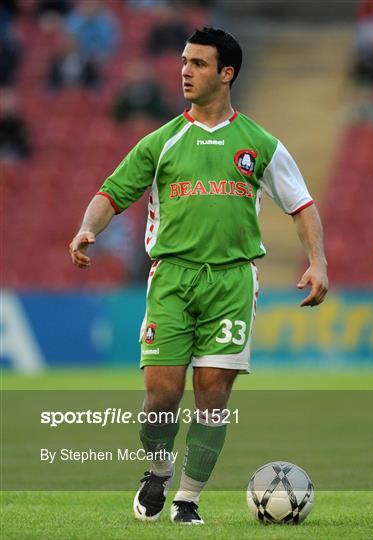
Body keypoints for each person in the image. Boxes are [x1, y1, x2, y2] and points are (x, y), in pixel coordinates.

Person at [69, 27, 328, 525]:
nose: (185, 71)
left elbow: (301, 205)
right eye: (184, 61)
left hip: (232, 282)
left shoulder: (259, 143)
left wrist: (317, 261)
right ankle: (158, 468)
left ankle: (187, 500)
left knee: (213, 395)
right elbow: (112, 193)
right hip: (171, 278)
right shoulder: (163, 141)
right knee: (161, 395)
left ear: (226, 73)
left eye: (199, 63)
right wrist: (86, 228)